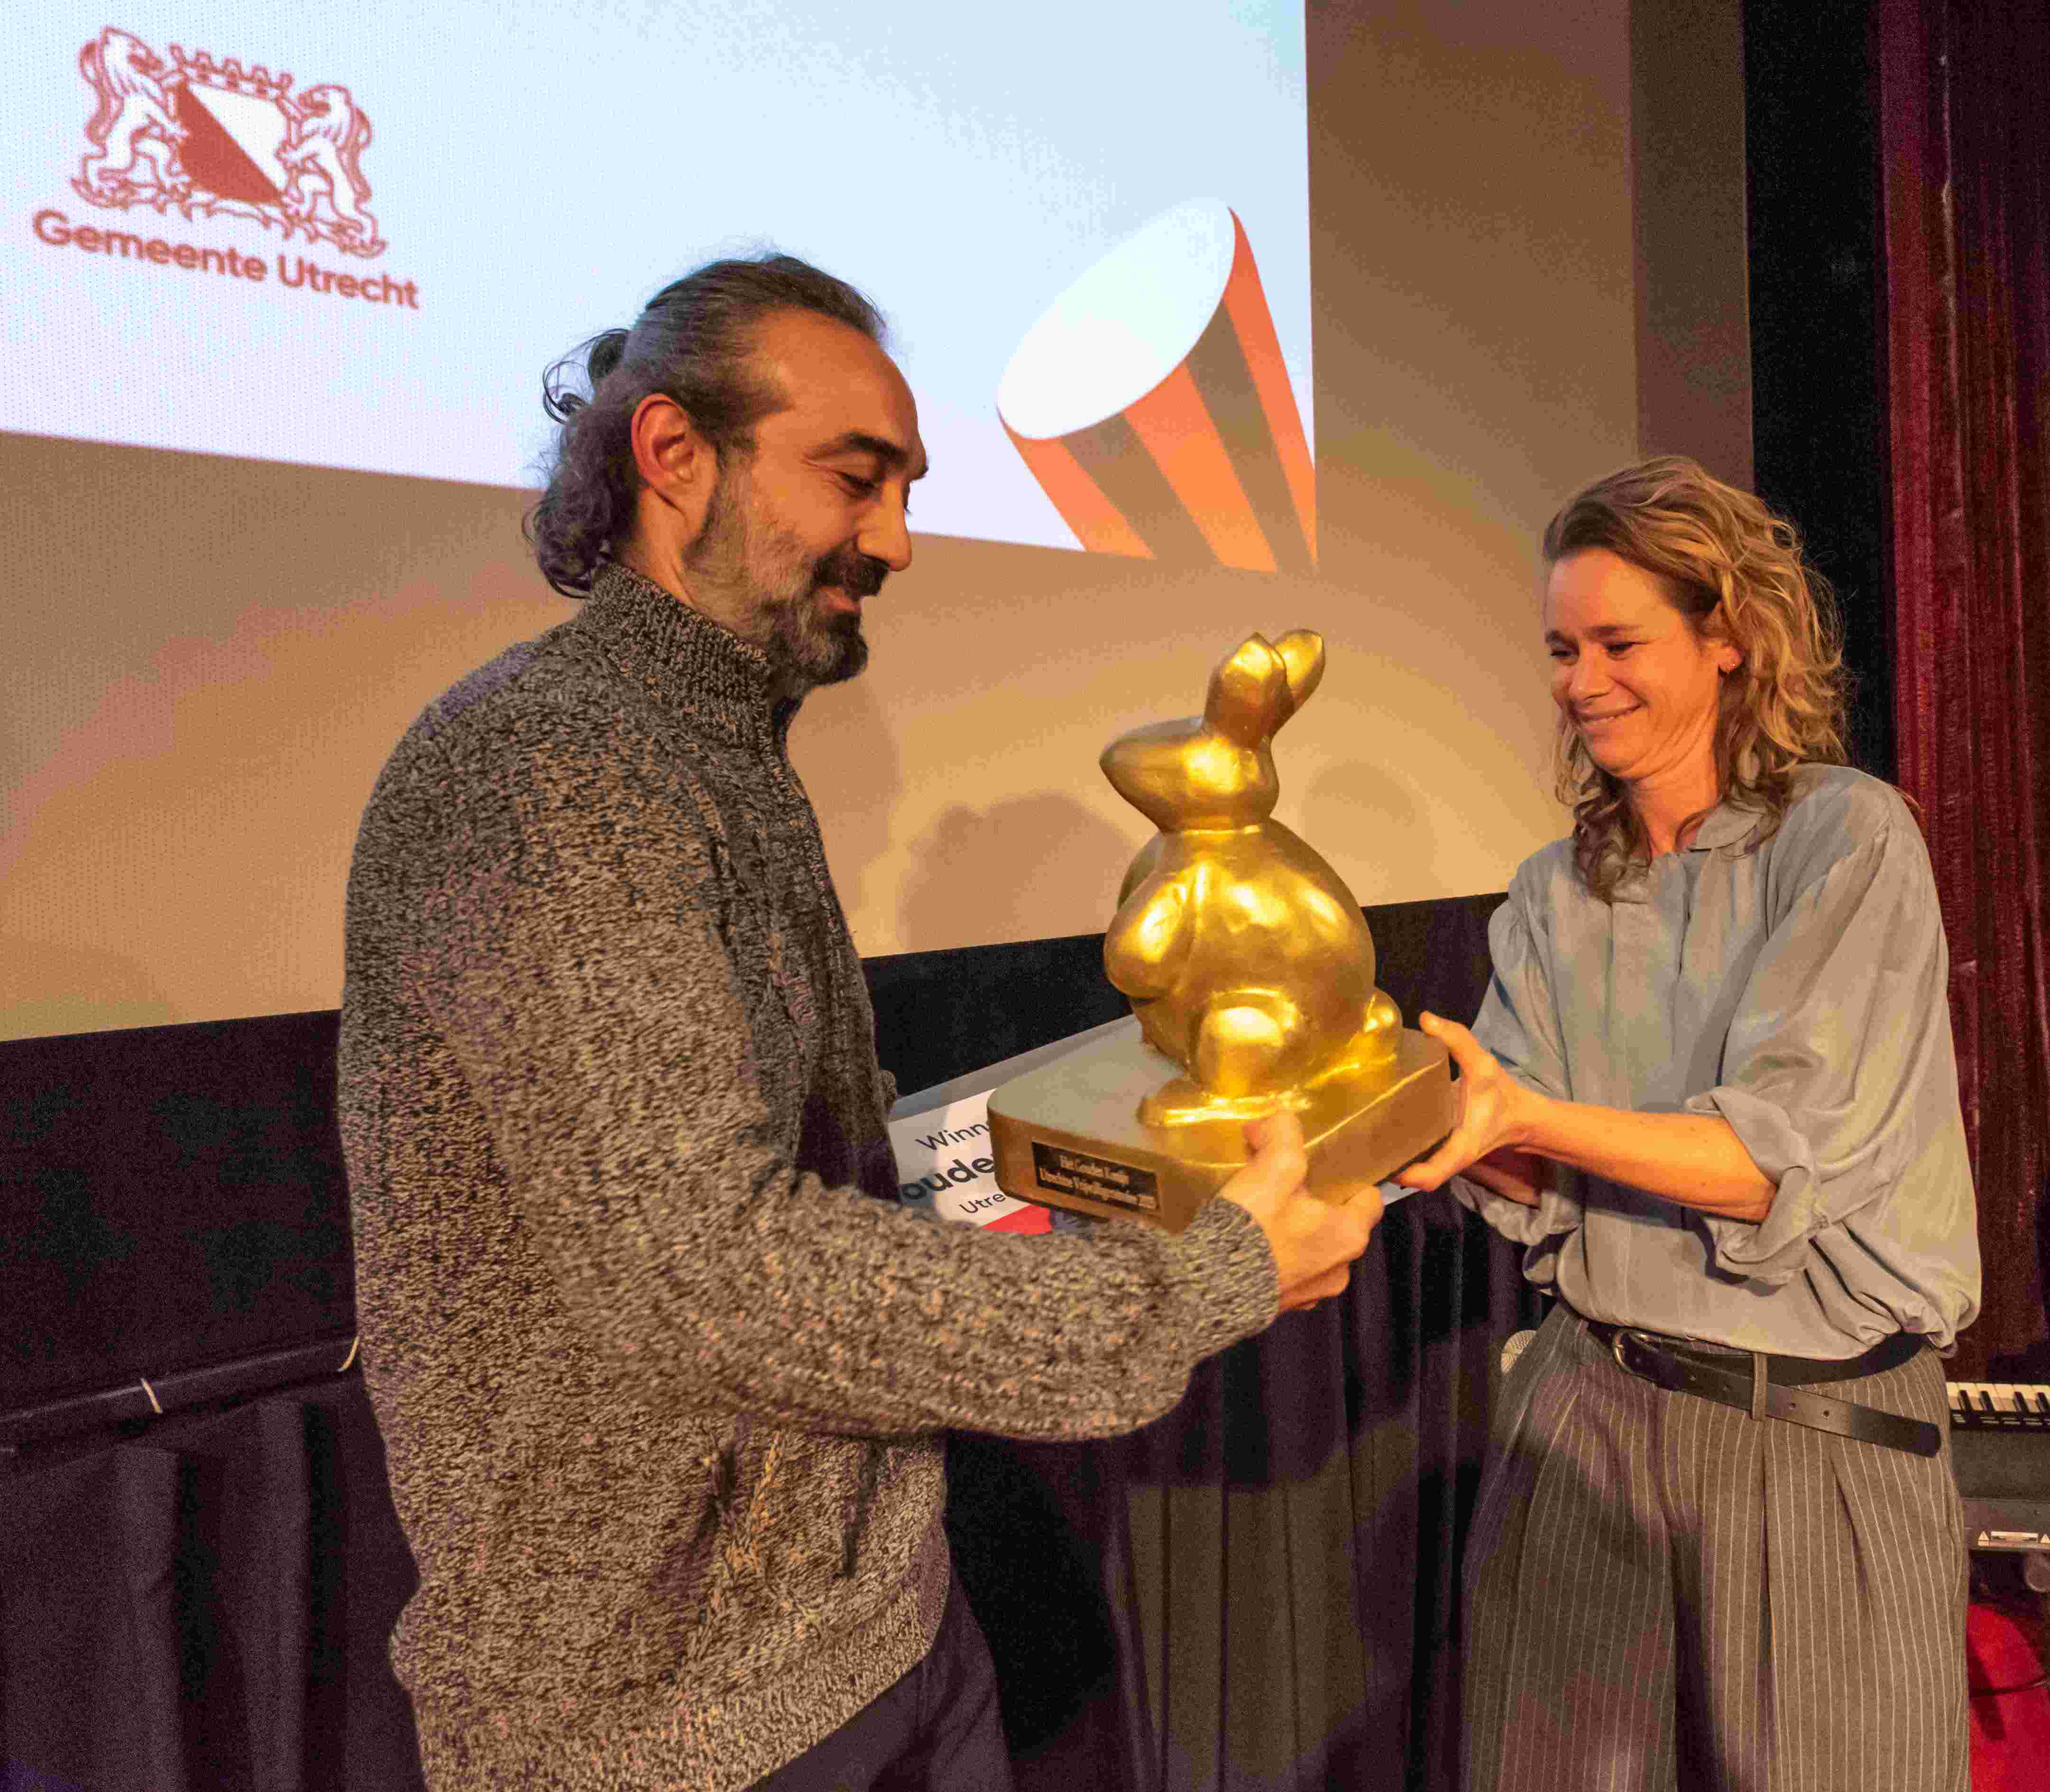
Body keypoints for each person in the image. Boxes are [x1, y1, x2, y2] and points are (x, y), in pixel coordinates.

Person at [337, 252, 1381, 1792]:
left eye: (905, 487)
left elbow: (795, 1191)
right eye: (854, 477)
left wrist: (1087, 1174)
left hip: (876, 1631)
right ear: (672, 454)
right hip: (672, 1729)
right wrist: (1194, 1276)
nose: (894, 537)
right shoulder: (549, 771)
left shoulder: (706, 747)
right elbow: (708, 1270)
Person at [1394, 456, 1980, 1791]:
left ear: (1726, 639)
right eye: (1562, 650)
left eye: (1619, 643)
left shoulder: (1848, 841)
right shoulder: (1551, 890)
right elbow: (1533, 1172)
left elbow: (1762, 1163)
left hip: (1814, 1440)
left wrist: (1520, 1110)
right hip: (1584, 1418)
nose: (1581, 681)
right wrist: (1401, 1118)